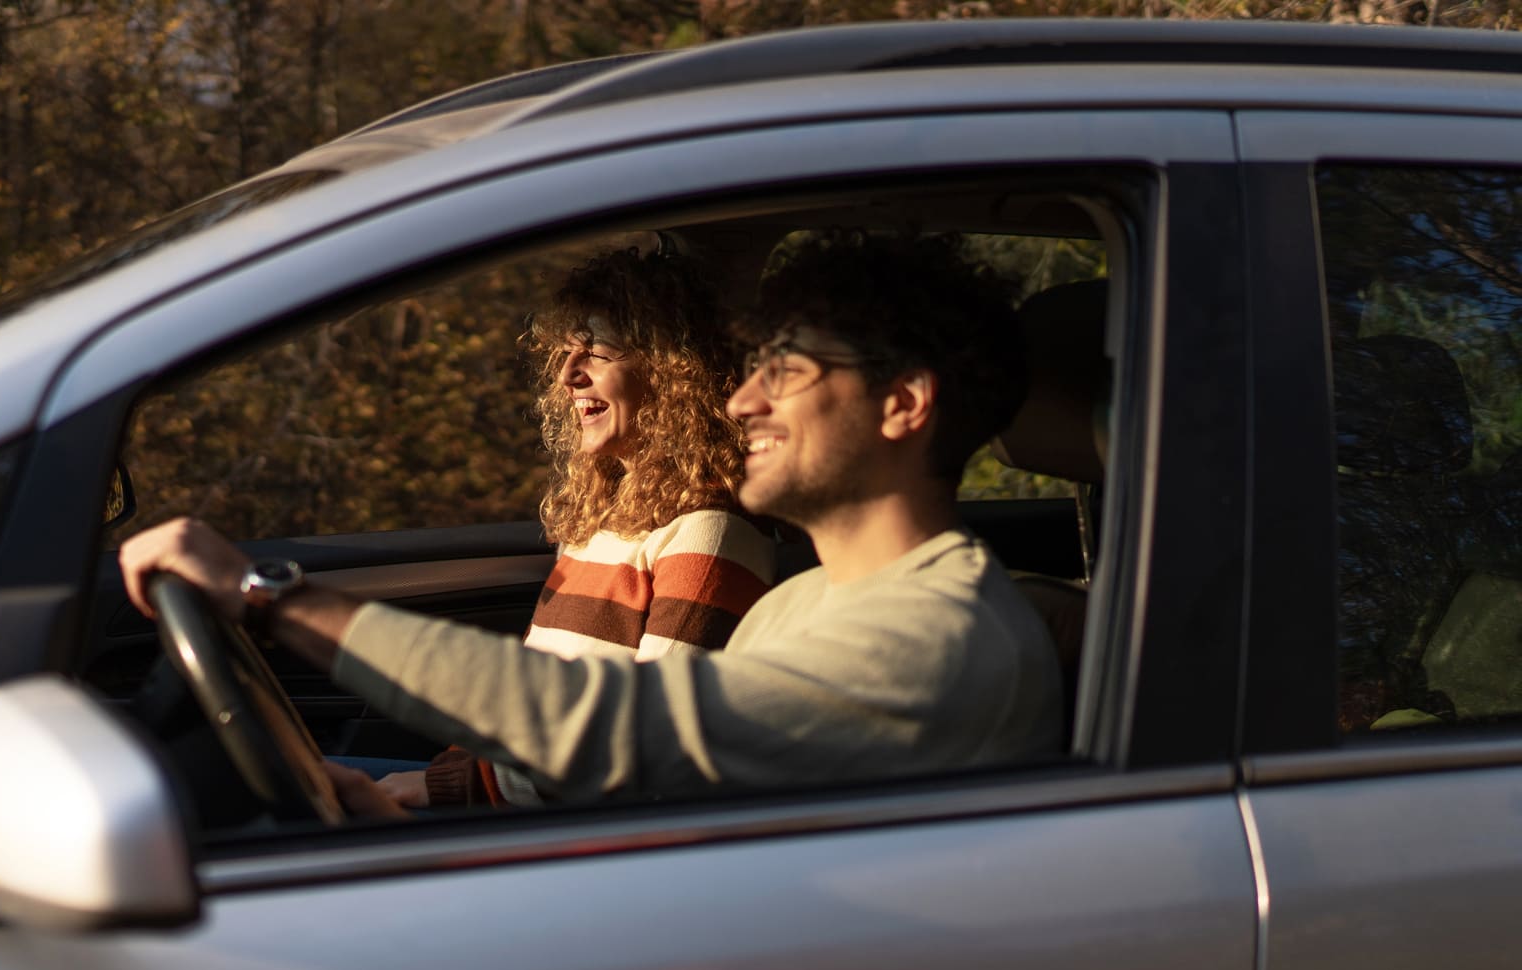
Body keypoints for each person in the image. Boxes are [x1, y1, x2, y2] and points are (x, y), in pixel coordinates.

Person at [119, 231, 1062, 816]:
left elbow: (617, 732)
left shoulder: (934, 637)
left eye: (787, 369)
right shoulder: (813, 600)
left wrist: (265, 595)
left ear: (903, 403)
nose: (739, 402)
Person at [380, 247, 776, 809]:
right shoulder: (606, 520)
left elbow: (647, 748)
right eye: (566, 354)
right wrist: (451, 772)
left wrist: (446, 787)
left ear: (671, 370)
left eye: (594, 352)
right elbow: (531, 707)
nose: (568, 376)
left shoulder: (709, 533)